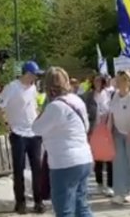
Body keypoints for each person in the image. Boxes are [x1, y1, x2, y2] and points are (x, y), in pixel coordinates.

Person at [32, 67, 93, 217]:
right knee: (82, 206)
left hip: (64, 162)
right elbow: (86, 126)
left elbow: (36, 128)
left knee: (64, 209)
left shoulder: (55, 107)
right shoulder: (77, 100)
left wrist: (40, 111)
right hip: (84, 158)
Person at [0, 61, 45, 214]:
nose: (36, 78)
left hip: (34, 133)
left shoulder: (33, 88)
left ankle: (39, 201)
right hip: (18, 133)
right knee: (19, 169)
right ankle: (20, 202)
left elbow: (33, 106)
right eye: (34, 75)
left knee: (37, 168)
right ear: (27, 74)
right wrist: (5, 124)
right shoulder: (12, 87)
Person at [109, 70, 130, 204]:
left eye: (120, 80)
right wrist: (108, 131)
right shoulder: (114, 96)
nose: (117, 82)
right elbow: (111, 114)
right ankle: (118, 192)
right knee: (118, 163)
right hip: (117, 133)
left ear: (127, 81)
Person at [83, 75, 113, 197]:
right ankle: (99, 183)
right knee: (97, 157)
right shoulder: (89, 96)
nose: (98, 83)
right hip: (95, 129)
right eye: (95, 81)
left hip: (107, 128)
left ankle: (111, 185)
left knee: (109, 157)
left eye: (100, 81)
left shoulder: (110, 94)